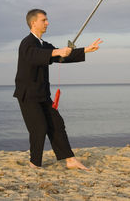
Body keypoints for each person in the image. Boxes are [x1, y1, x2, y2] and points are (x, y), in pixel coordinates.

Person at [13, 9, 103, 170]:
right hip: (28, 94)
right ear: (34, 23)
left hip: (42, 94)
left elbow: (60, 57)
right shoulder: (27, 43)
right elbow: (35, 56)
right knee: (39, 128)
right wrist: (57, 51)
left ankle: (70, 160)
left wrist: (85, 50)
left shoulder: (43, 44)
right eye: (44, 20)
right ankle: (34, 163)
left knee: (57, 124)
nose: (47, 23)